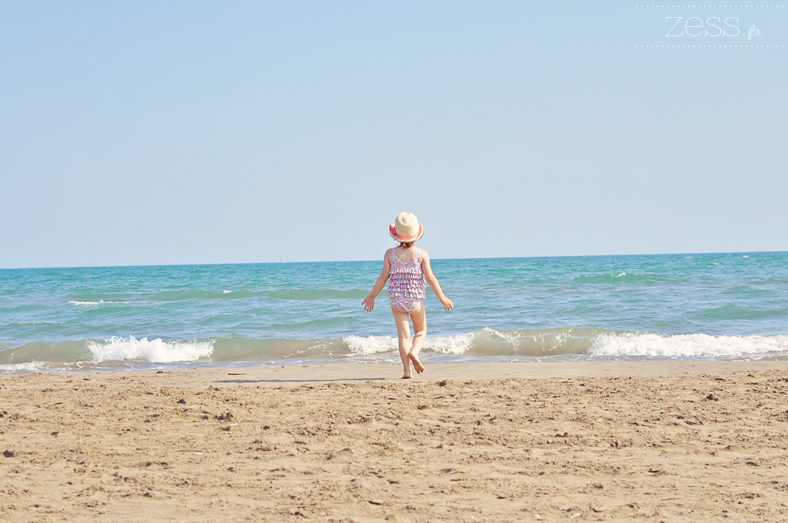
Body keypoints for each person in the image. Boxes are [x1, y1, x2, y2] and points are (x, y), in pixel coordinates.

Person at [362, 212, 454, 379]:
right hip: (415, 300)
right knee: (420, 331)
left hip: (397, 300)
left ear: (396, 235)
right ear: (416, 234)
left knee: (404, 336)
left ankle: (406, 371)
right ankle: (415, 352)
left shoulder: (390, 254)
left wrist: (371, 297)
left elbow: (383, 277)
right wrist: (442, 297)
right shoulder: (421, 254)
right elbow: (430, 278)